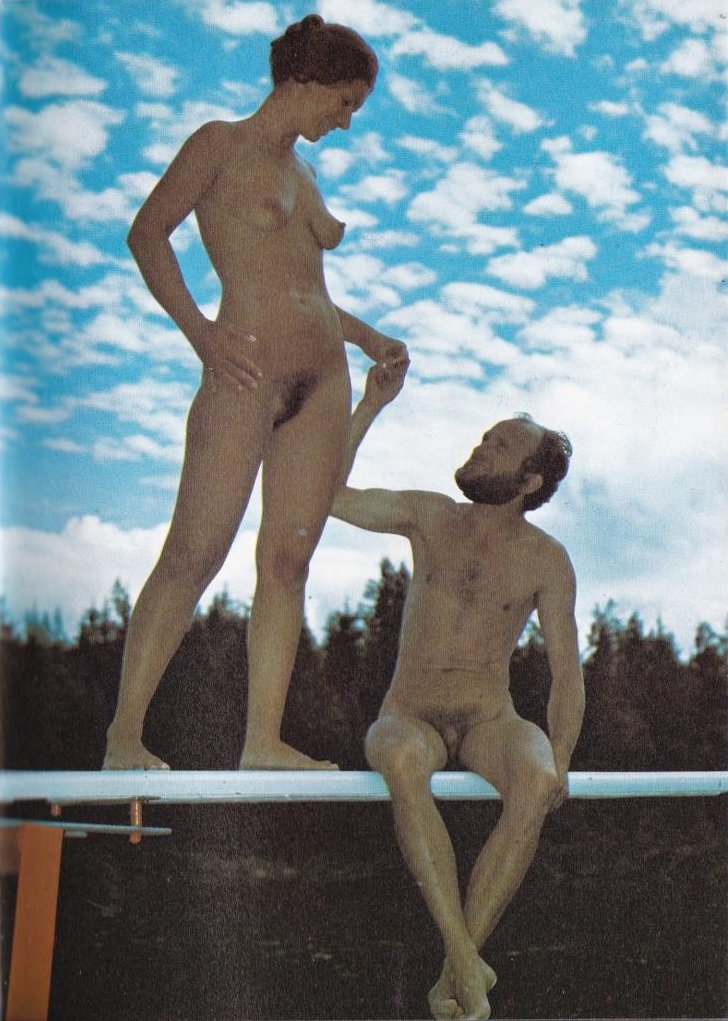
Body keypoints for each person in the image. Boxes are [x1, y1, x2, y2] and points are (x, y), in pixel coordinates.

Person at [102, 15, 408, 772]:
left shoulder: (306, 175)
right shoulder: (219, 144)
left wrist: (370, 340)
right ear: (305, 80)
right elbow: (147, 233)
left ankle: (262, 741)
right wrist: (200, 334)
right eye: (344, 102)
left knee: (288, 562)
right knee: (193, 553)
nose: (345, 122)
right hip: (243, 373)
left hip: (325, 378)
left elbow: (308, 291)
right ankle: (124, 736)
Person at [331, 363, 585, 1020]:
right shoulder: (429, 515)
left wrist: (561, 754)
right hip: (409, 715)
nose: (481, 446)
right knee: (400, 758)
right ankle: (466, 963)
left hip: (488, 720)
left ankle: (455, 969)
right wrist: (369, 405)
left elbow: (567, 671)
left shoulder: (547, 558)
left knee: (536, 777)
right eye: (484, 437)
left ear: (528, 482)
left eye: (500, 445)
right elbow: (329, 495)